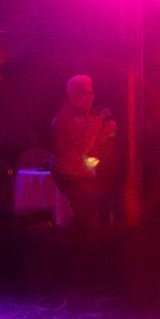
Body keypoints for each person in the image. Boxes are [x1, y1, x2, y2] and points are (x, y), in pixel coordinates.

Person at [51, 75, 118, 229]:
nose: (90, 98)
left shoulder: (83, 115)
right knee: (87, 218)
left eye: (91, 93)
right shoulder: (65, 118)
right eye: (85, 94)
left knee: (91, 215)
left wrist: (105, 132)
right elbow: (82, 148)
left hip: (81, 173)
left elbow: (92, 146)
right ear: (72, 95)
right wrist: (97, 126)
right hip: (69, 175)